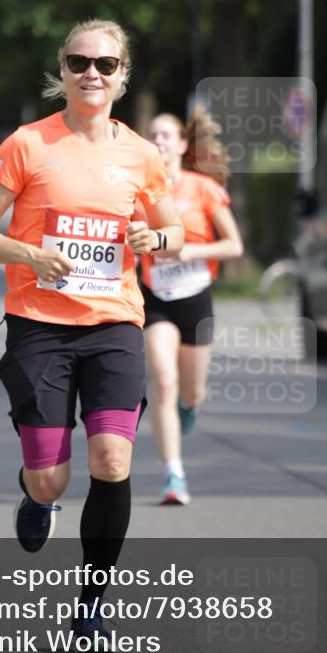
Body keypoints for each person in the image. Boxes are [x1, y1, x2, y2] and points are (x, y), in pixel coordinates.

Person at [0, 19, 184, 652]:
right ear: (62, 70)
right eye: (79, 61)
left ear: (122, 76)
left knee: (112, 460)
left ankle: (90, 608)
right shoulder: (28, 144)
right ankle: (34, 497)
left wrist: (153, 238)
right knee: (51, 481)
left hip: (115, 322)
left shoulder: (139, 153)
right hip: (40, 327)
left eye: (105, 65)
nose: (92, 73)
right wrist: (27, 255)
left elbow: (176, 233)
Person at [139, 109, 243, 506]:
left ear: (182, 144)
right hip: (156, 297)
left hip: (196, 295)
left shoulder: (203, 189)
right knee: (163, 381)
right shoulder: (140, 193)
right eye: (153, 135)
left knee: (192, 389)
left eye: (167, 135)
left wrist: (187, 249)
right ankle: (174, 475)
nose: (159, 141)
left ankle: (191, 404)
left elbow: (234, 245)